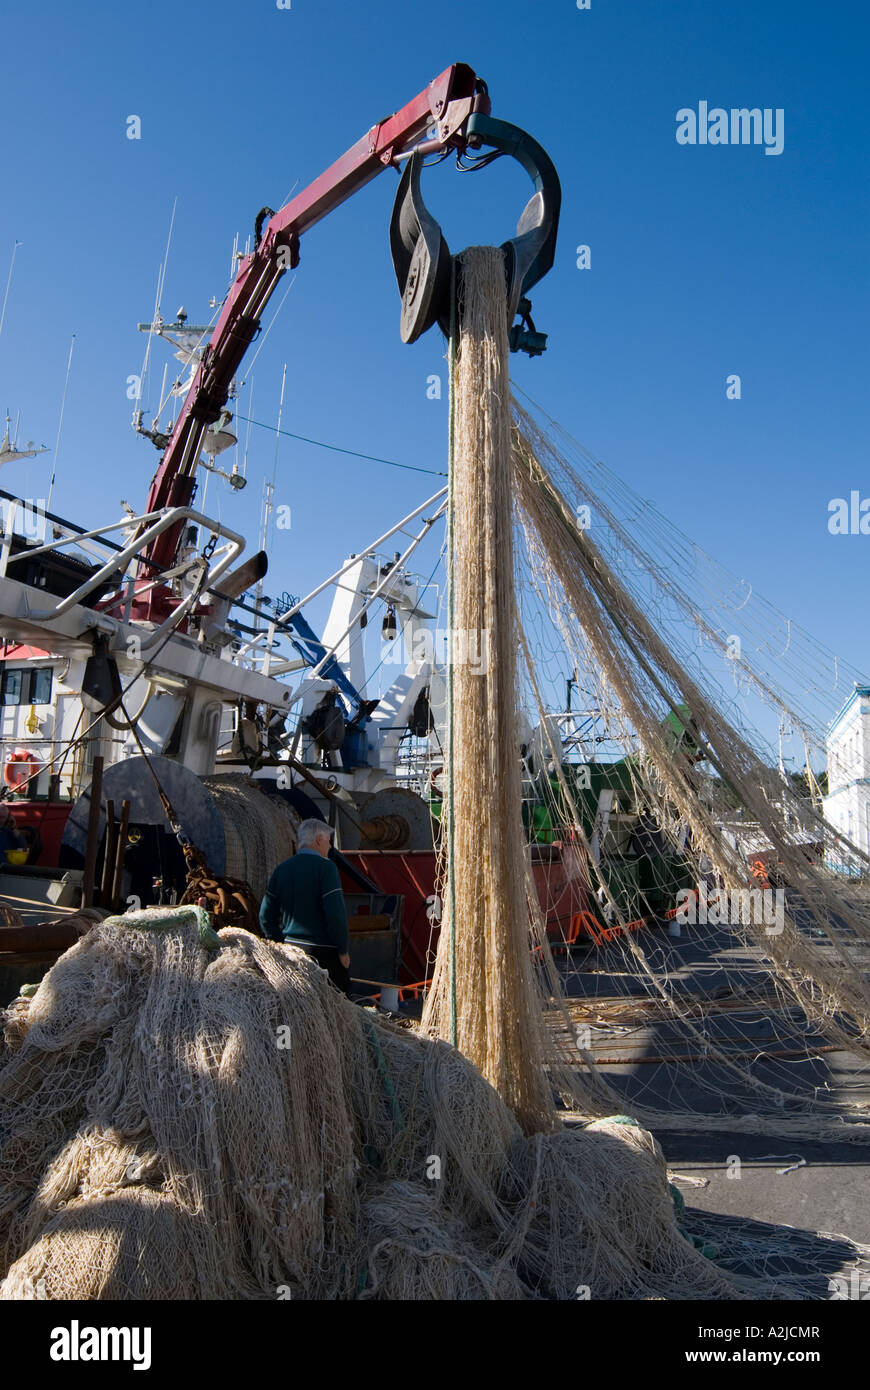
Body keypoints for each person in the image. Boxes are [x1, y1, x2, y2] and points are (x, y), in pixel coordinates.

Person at [259, 819, 351, 995]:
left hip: (290, 951)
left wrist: (280, 942)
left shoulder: (282, 869)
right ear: (318, 840)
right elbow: (336, 915)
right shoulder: (326, 869)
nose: (330, 847)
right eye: (328, 841)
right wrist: (343, 950)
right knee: (337, 1009)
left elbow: (265, 916)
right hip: (323, 956)